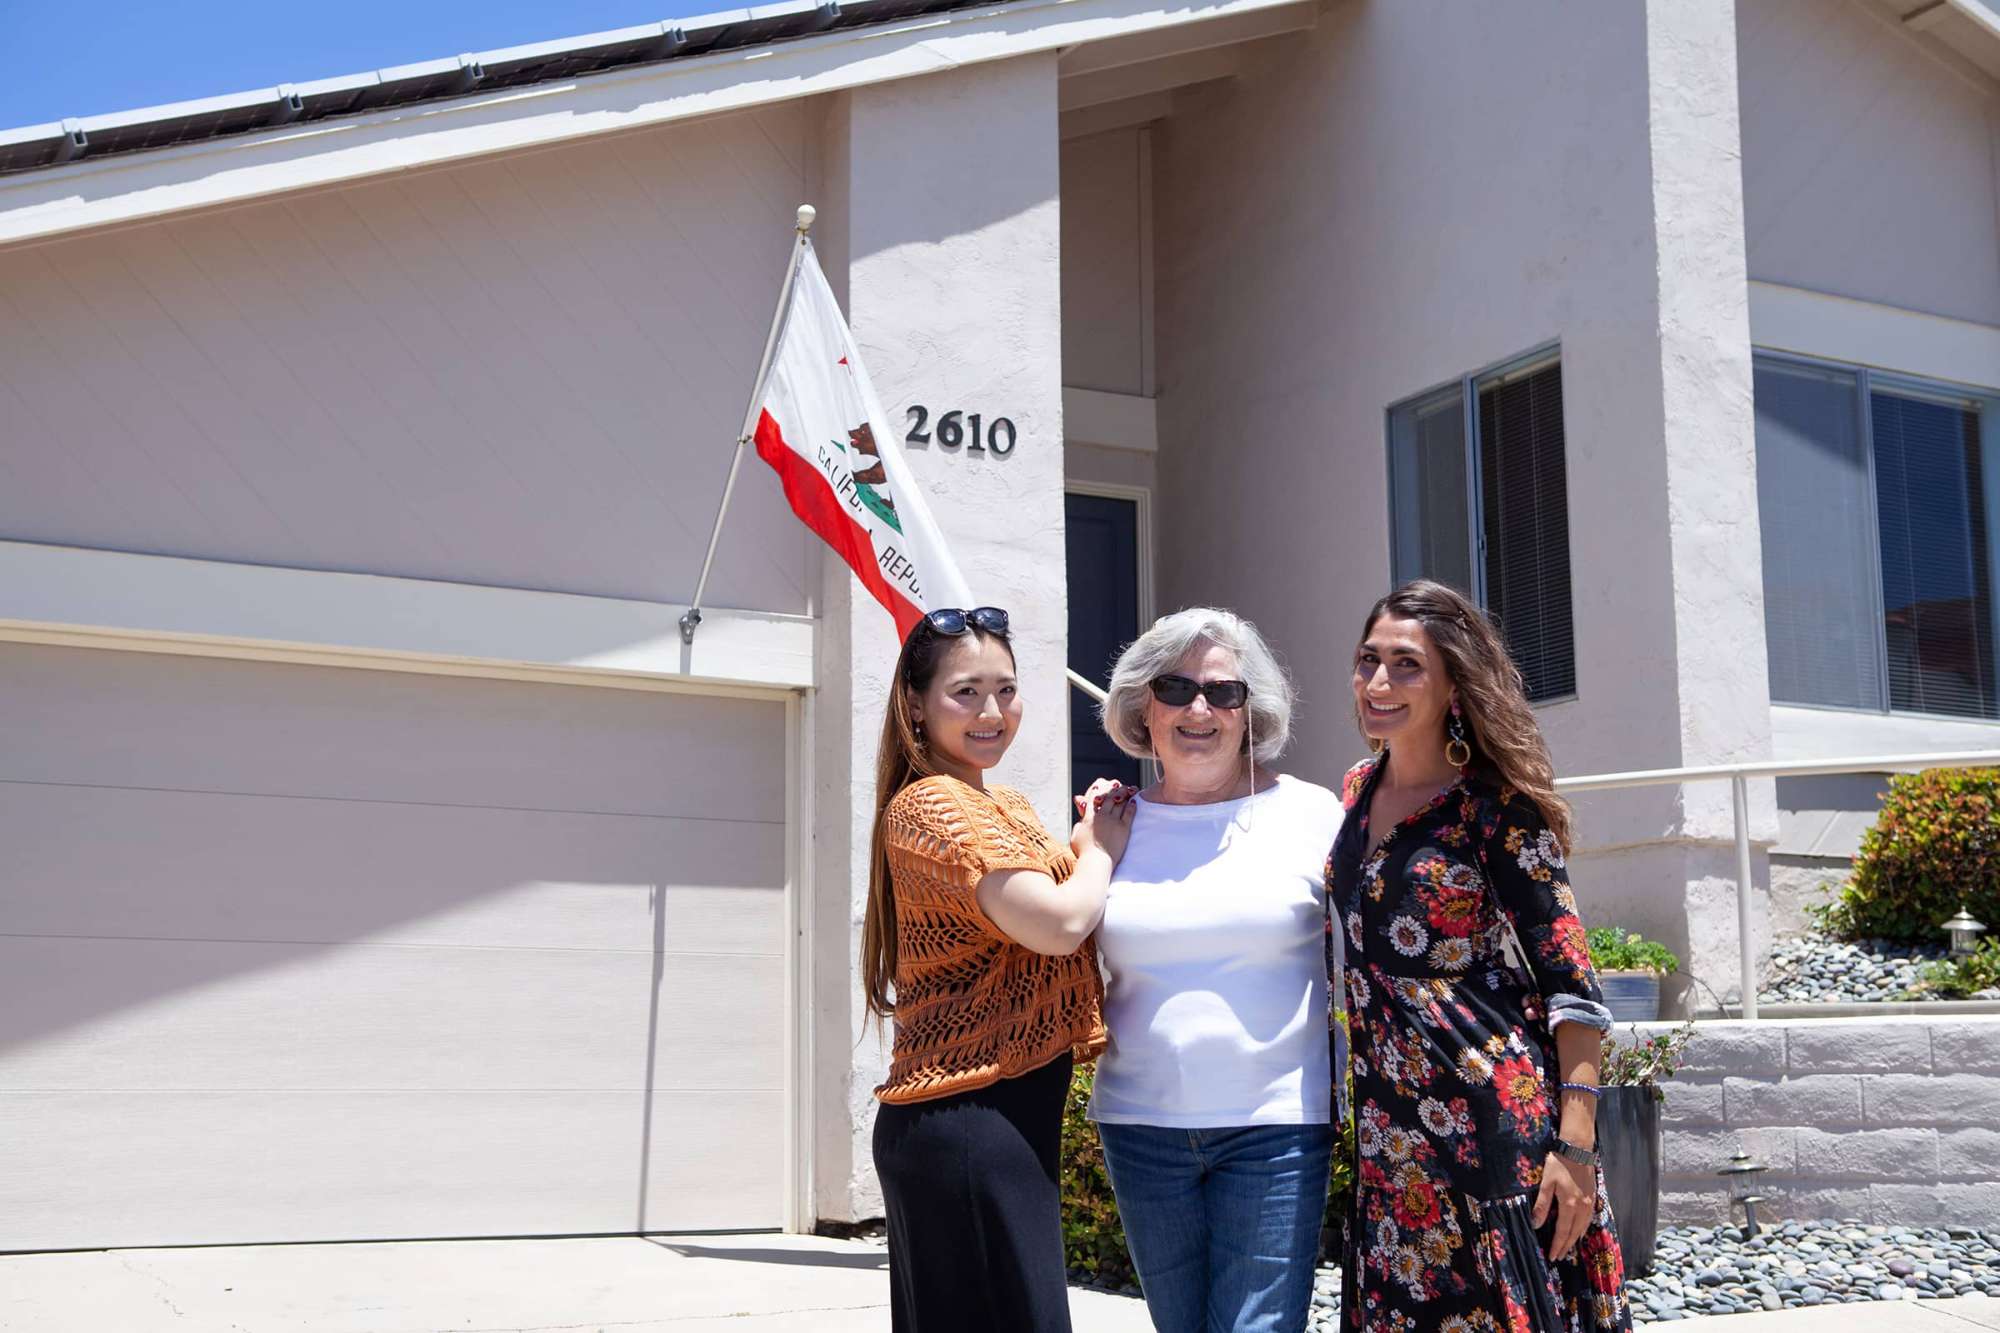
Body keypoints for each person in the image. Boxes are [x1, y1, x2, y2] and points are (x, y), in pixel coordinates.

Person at [1330, 580, 1630, 1333]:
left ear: (1455, 686)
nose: (1378, 682)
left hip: (1487, 1120)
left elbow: (1572, 984)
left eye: (1406, 665)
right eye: (1368, 660)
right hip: (1389, 1129)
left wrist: (1576, 1145)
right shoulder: (1358, 790)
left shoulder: (1494, 807)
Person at [865, 605, 1136, 1333]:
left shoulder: (1003, 804)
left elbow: (1051, 894)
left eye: (1006, 689)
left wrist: (1085, 838)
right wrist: (1099, 851)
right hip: (963, 1122)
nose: (992, 712)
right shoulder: (934, 806)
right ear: (915, 704)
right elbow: (1058, 924)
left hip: (1003, 1117)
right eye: (966, 692)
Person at [1086, 607, 1346, 1333]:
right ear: (1143, 705)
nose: (1199, 709)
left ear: (1249, 711)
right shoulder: (1109, 823)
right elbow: (1057, 934)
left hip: (1276, 1129)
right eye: (1176, 688)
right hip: (1140, 1126)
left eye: (1223, 692)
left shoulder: (1311, 814)